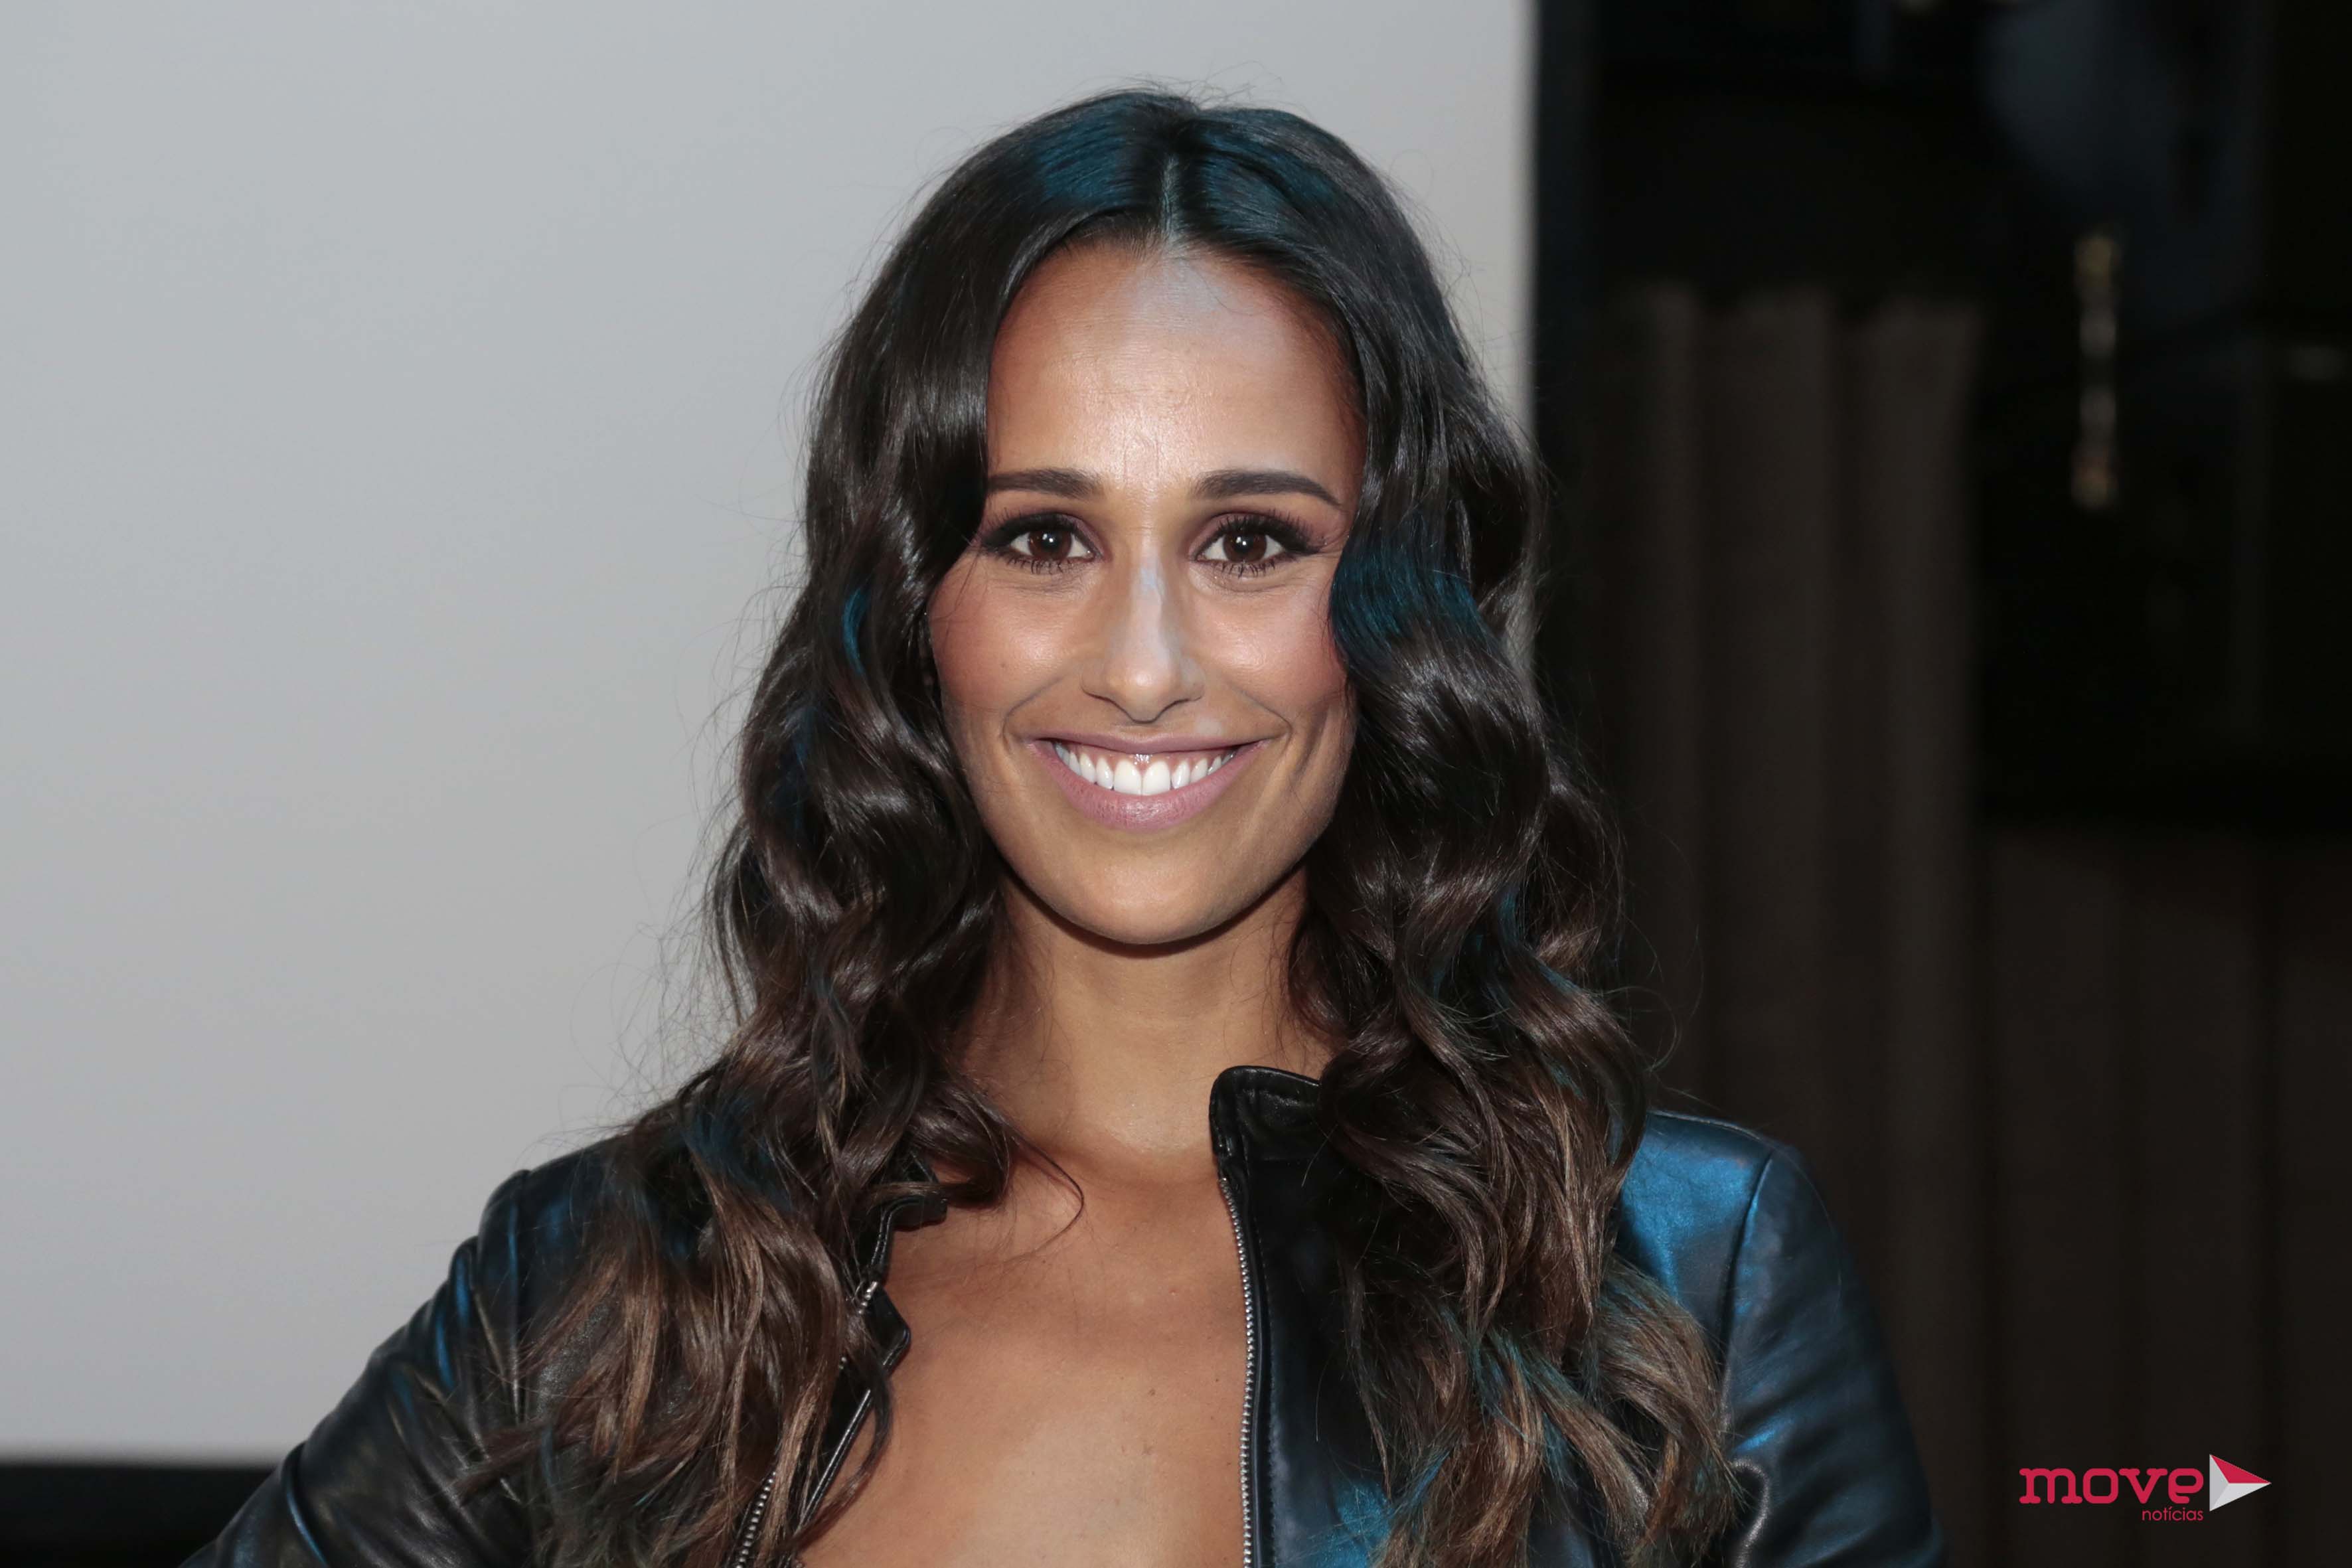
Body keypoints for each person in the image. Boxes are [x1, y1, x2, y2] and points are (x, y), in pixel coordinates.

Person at [191, 88, 1945, 1568]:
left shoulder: (1690, 1277)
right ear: (915, 608)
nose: (1146, 665)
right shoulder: (620, 1286)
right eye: (1045, 538)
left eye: (1250, 542)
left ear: (1396, 604)